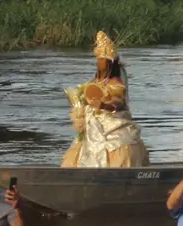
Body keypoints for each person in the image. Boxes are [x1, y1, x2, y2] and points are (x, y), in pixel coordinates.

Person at [61, 31, 149, 168]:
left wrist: (104, 105)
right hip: (91, 125)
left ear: (109, 63)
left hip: (111, 126)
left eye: (102, 59)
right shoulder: (94, 80)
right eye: (98, 59)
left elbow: (119, 103)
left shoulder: (115, 83)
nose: (98, 62)